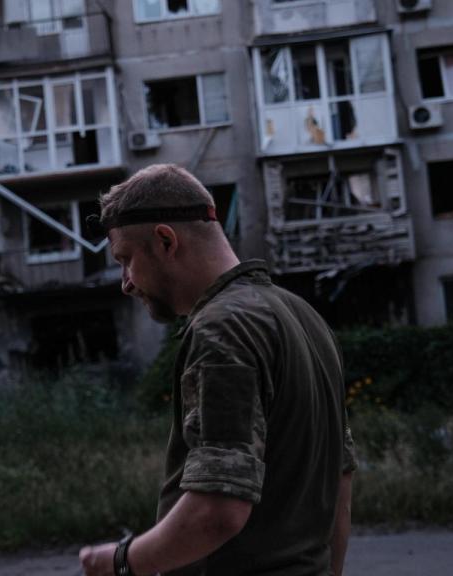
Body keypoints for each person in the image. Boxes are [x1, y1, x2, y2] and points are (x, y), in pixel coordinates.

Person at [78, 164, 357, 576]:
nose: (126, 282)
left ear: (165, 240)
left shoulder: (223, 327)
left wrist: (122, 561)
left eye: (126, 260)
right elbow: (339, 484)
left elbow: (219, 507)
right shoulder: (304, 317)